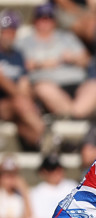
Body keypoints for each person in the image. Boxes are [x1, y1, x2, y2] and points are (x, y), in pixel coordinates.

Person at [15, 3, 96, 120]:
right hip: (48, 84)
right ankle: (72, 116)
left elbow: (87, 60)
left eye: (49, 18)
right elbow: (20, 66)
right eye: (41, 18)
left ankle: (74, 114)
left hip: (76, 82)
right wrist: (41, 64)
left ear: (54, 21)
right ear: (34, 20)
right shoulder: (25, 42)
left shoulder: (67, 37)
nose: (45, 22)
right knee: (43, 88)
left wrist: (74, 58)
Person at [0, 9, 46, 151]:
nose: (8, 35)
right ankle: (47, 132)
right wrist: (22, 97)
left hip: (17, 107)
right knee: (21, 102)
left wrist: (25, 98)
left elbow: (24, 83)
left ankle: (42, 143)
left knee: (25, 126)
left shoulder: (18, 55)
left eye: (12, 31)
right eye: (5, 31)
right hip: (4, 104)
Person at [29, 153, 78, 218]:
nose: (56, 172)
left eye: (58, 168)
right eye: (52, 169)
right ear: (43, 171)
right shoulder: (36, 192)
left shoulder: (73, 187)